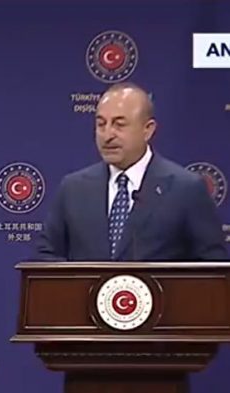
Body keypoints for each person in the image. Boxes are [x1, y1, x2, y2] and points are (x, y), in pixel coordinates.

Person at [35, 82, 227, 261]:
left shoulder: (185, 189)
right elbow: (46, 257)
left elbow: (212, 268)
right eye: (101, 124)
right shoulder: (73, 189)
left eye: (119, 125)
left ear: (148, 130)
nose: (107, 135)